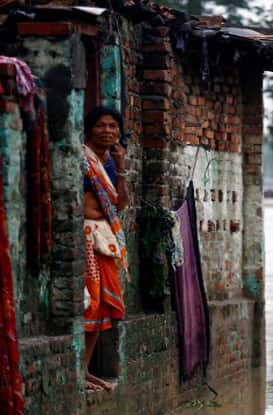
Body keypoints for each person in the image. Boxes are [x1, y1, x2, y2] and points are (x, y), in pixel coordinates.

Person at [82, 107, 130, 391]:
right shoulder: (81, 159)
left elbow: (120, 204)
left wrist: (122, 167)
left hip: (104, 240)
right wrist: (101, 212)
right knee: (90, 303)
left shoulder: (111, 162)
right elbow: (88, 207)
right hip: (87, 238)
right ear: (90, 129)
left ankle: (84, 369)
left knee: (103, 309)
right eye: (101, 125)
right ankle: (80, 370)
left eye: (113, 126)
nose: (108, 131)